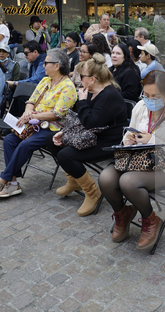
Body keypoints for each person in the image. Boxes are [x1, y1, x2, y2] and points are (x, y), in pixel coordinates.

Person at [99, 70, 165, 251]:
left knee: (128, 182)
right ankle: (123, 213)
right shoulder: (141, 106)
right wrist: (129, 139)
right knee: (106, 178)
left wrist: (153, 140)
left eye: (155, 96)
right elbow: (130, 131)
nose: (149, 99)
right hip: (137, 158)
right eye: (146, 94)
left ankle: (151, 219)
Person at [0, 49, 77, 200]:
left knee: (25, 144)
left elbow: (57, 114)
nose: (43, 65)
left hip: (52, 128)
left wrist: (32, 115)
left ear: (57, 66)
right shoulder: (46, 81)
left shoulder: (68, 87)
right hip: (34, 124)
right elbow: (31, 101)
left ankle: (3, 180)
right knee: (8, 140)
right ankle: (13, 183)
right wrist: (28, 112)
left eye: (46, 63)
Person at [46, 53, 128, 216]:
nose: (78, 79)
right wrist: (64, 131)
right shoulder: (91, 90)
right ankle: (74, 180)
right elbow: (81, 120)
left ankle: (92, 193)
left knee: (66, 155)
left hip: (109, 140)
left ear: (93, 78)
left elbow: (91, 122)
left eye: (81, 76)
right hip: (92, 134)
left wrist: (82, 100)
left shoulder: (108, 95)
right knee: (51, 140)